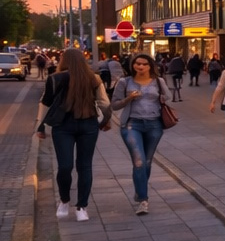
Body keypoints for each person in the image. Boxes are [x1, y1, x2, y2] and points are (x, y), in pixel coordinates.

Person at [37, 47, 110, 222]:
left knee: (65, 166)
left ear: (64, 60)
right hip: (87, 124)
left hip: (63, 126)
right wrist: (105, 121)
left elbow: (45, 103)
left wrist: (40, 126)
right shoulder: (94, 78)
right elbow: (104, 103)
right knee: (84, 166)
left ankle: (66, 201)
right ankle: (80, 207)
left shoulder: (54, 78)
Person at [111, 53, 169, 215]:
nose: (141, 66)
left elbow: (168, 97)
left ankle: (139, 190)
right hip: (132, 125)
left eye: (144, 64)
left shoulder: (159, 81)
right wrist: (129, 98)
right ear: (133, 65)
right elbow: (114, 105)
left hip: (154, 125)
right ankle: (143, 200)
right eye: (137, 63)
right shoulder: (125, 82)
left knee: (147, 162)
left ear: (150, 66)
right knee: (139, 162)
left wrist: (161, 97)